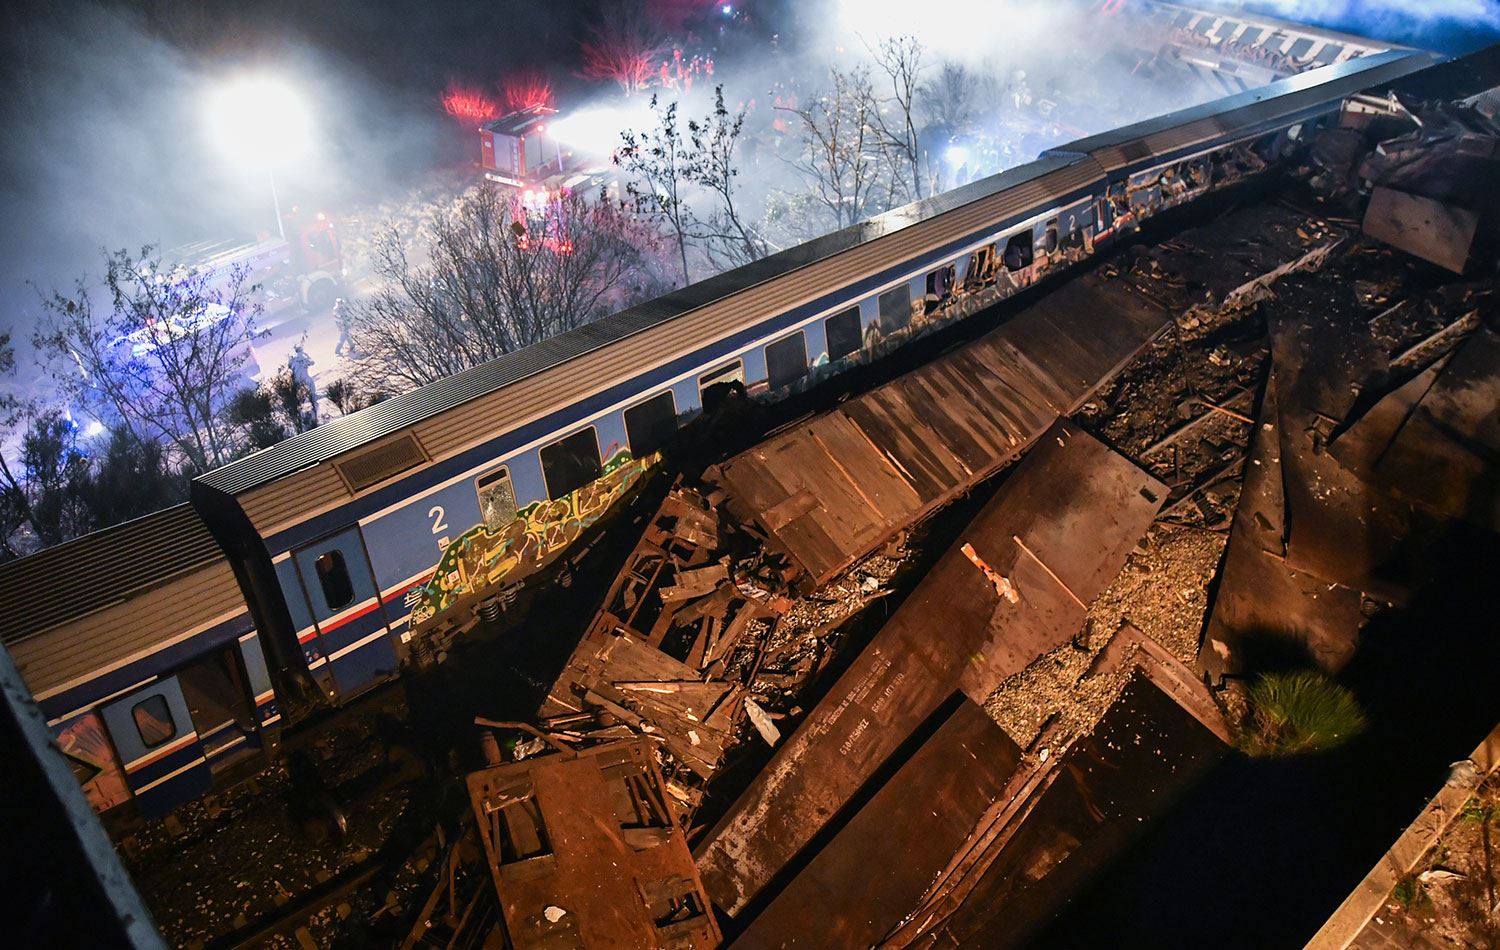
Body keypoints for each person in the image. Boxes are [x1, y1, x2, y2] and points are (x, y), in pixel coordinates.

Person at [289, 344, 319, 424]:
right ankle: (313, 395)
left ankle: (293, 399)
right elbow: (312, 362)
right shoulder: (304, 359)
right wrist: (307, 355)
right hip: (305, 377)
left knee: (295, 388)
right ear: (301, 351)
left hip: (297, 379)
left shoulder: (293, 360)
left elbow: (289, 367)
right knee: (311, 383)